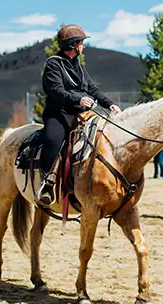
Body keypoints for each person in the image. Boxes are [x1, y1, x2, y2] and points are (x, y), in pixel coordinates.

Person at [36, 24, 121, 205]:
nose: (84, 46)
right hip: (58, 114)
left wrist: (110, 104)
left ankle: (80, 186)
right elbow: (55, 90)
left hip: (81, 115)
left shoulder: (79, 66)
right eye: (81, 42)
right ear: (73, 45)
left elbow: (93, 89)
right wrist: (79, 99)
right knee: (53, 140)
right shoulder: (53, 64)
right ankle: (47, 183)